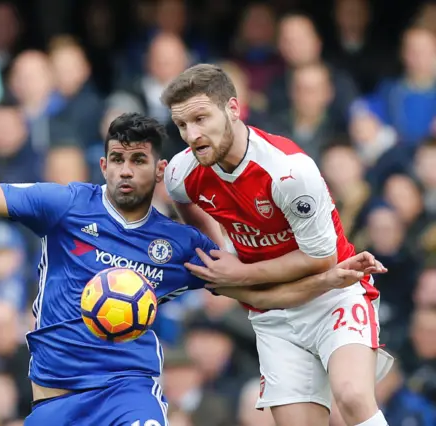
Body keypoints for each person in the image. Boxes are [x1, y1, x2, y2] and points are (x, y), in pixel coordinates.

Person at [0, 113, 385, 426]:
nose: (125, 171)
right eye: (117, 160)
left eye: (138, 161)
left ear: (159, 171)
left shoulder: (178, 245)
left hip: (127, 394)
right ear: (101, 164)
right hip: (55, 401)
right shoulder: (64, 207)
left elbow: (257, 290)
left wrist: (329, 280)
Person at [161, 64, 394, 426]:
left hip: (333, 295)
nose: (192, 135)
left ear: (233, 109)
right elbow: (183, 198)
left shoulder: (288, 171)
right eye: (182, 125)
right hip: (273, 317)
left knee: (351, 395)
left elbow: (322, 259)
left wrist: (240, 272)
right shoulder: (182, 172)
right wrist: (213, 245)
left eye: (201, 118)